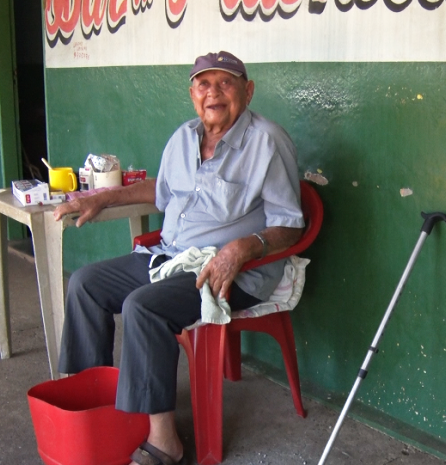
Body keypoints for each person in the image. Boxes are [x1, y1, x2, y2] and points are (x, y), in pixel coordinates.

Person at [53, 51, 304, 465]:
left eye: (226, 83)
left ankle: (164, 440)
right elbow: (162, 192)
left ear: (248, 90)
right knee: (84, 284)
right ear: (192, 94)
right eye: (205, 85)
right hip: (170, 256)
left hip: (229, 272)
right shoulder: (184, 137)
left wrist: (241, 248)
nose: (214, 94)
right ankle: (95, 405)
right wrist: (103, 196)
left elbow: (292, 225)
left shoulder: (267, 142)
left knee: (143, 307)